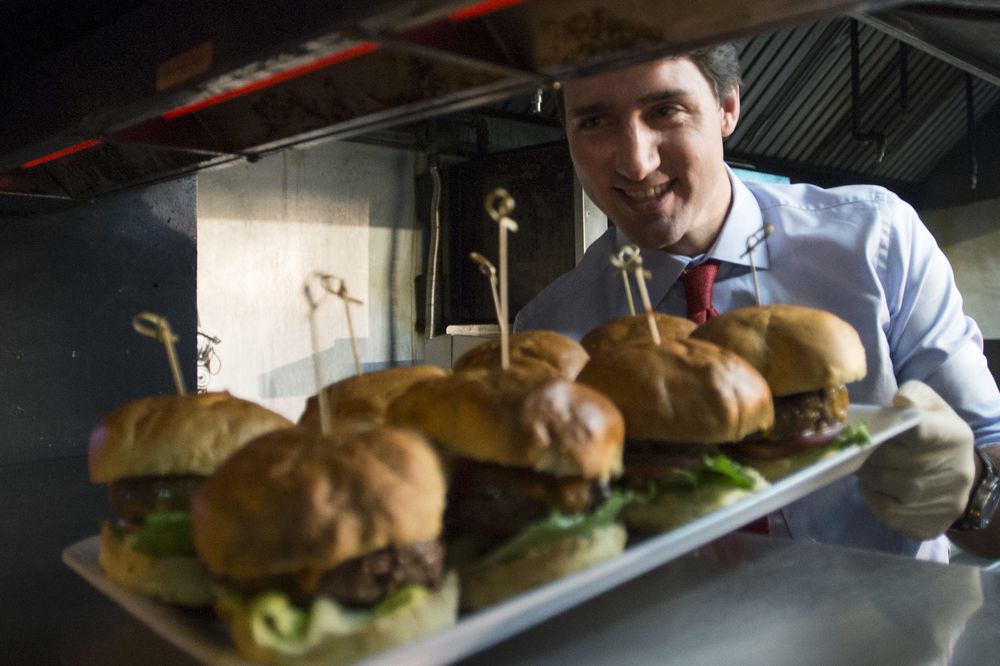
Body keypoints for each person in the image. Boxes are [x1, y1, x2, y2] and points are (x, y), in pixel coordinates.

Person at [514, 43, 1000, 561]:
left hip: (894, 631)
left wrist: (974, 491)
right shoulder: (550, 331)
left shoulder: (877, 241)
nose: (636, 161)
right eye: (593, 121)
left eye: (664, 111)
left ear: (727, 109)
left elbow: (990, 464)